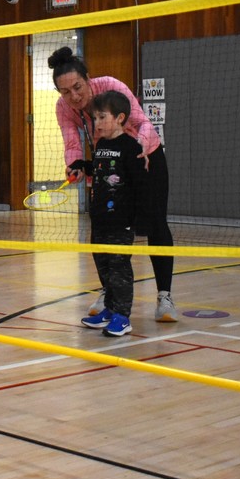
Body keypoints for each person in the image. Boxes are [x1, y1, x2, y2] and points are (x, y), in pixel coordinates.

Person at [48, 46, 178, 322]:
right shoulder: (64, 109)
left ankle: (164, 296)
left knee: (156, 224)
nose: (74, 96)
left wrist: (137, 150)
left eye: (78, 87)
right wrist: (73, 166)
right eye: (65, 92)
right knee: (104, 228)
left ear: (88, 78)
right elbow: (72, 141)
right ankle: (109, 292)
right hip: (108, 164)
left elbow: (142, 122)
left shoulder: (111, 87)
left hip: (145, 158)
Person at [75, 91, 149, 336]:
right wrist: (81, 166)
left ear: (120, 118)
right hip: (100, 221)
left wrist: (138, 219)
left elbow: (140, 184)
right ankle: (108, 309)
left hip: (121, 222)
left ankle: (122, 316)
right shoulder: (102, 145)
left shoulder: (131, 147)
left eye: (102, 117)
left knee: (119, 269)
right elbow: (99, 171)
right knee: (104, 266)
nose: (97, 123)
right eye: (94, 118)